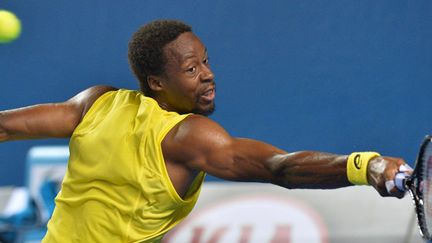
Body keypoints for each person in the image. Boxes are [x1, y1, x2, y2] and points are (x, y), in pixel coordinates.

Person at [0, 19, 410, 243]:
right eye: (192, 69)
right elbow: (279, 168)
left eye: (206, 62)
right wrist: (364, 165)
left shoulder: (96, 103)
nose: (209, 75)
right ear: (157, 82)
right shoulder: (188, 137)